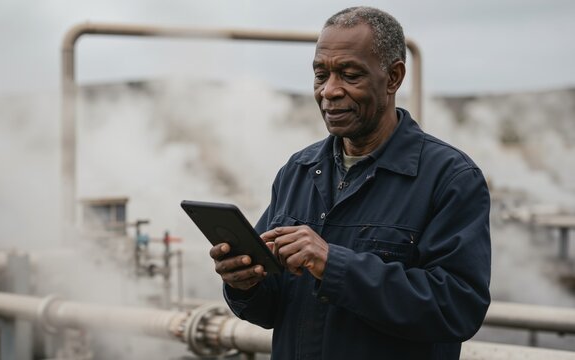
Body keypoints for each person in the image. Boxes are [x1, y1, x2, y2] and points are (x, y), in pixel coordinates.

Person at [209, 6, 491, 360]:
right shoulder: (298, 170)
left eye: (349, 75)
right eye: (320, 75)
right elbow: (271, 309)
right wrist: (244, 284)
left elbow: (457, 309)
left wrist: (333, 264)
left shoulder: (449, 178)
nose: (329, 91)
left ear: (393, 78)